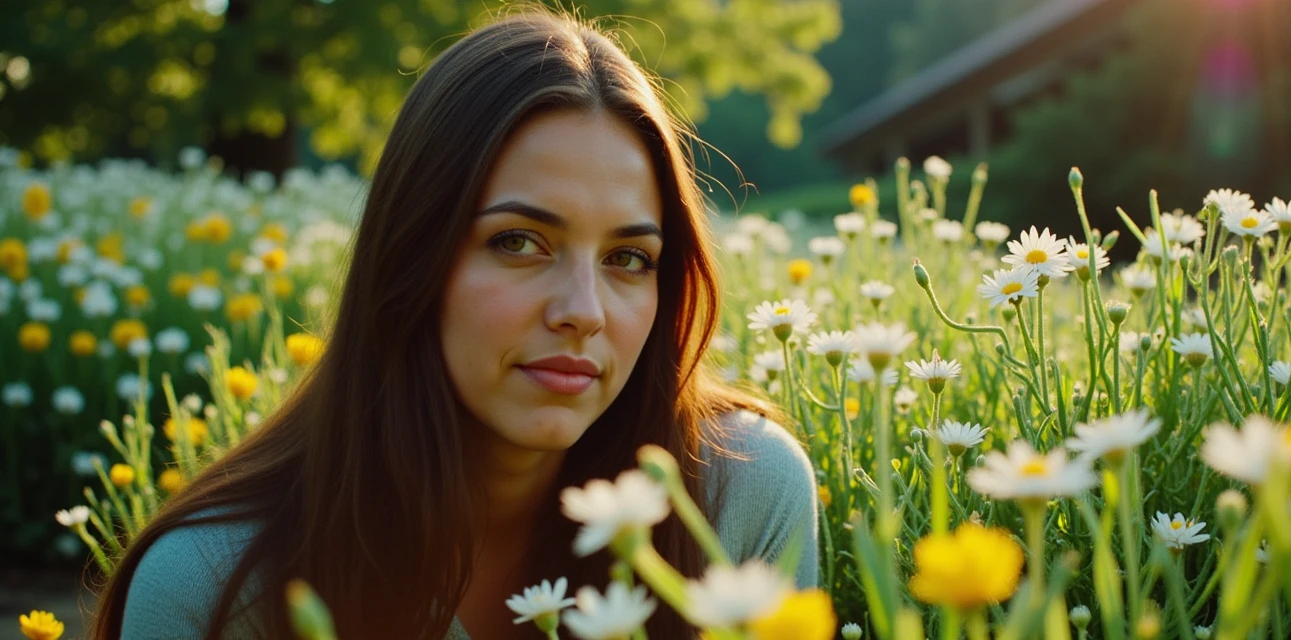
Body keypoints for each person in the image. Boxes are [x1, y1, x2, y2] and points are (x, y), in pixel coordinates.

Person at [89, 8, 819, 640]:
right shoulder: (213, 585)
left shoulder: (740, 497)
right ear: (412, 255)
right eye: (518, 243)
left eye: (629, 258)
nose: (584, 313)